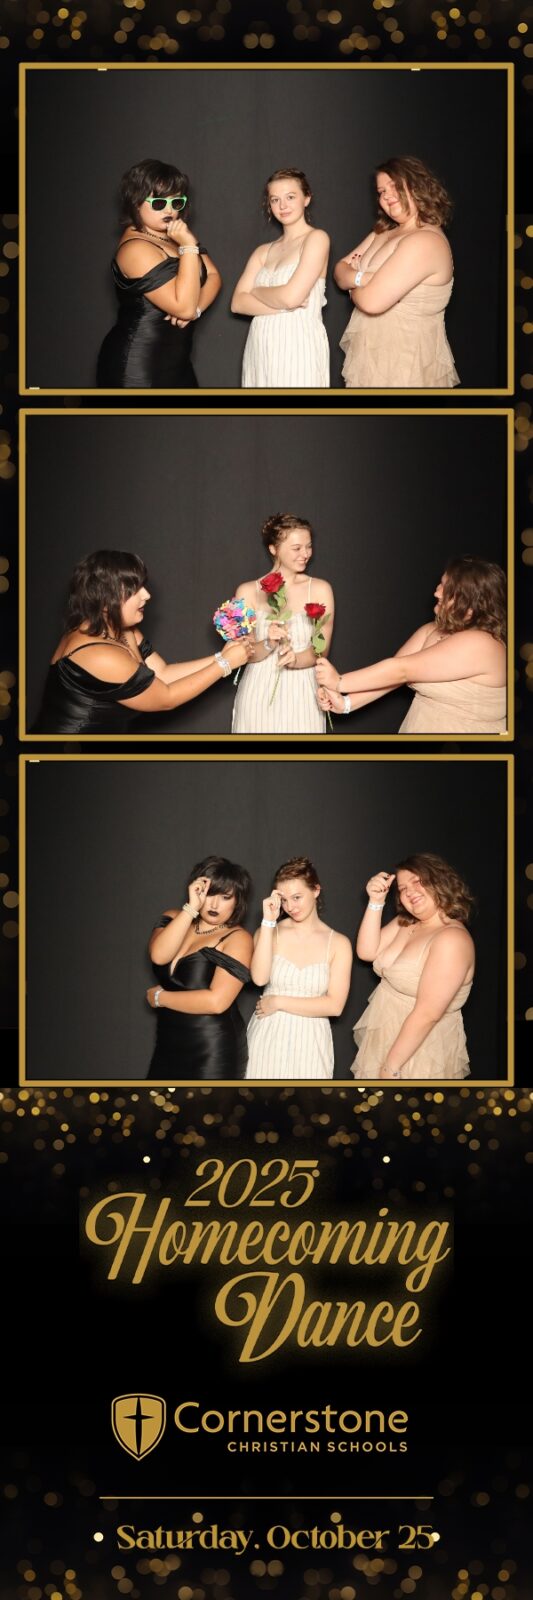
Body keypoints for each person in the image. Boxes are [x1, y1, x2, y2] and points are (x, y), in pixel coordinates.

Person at [32, 550, 252, 734]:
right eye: (134, 589)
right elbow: (166, 698)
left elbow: (162, 673)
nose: (146, 595)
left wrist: (222, 656)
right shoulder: (99, 655)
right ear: (104, 599)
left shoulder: (122, 630)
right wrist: (224, 664)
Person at [316, 558, 507, 735]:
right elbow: (391, 677)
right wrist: (346, 703)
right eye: (441, 583)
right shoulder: (432, 630)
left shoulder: (483, 643)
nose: (437, 592)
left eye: (447, 589)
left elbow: (401, 671)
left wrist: (340, 682)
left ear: (472, 603)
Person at [334, 156, 459, 389]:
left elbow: (371, 302)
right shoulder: (383, 232)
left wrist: (355, 286)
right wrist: (363, 279)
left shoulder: (425, 241)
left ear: (418, 186)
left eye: (394, 186)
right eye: (381, 191)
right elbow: (340, 270)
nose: (387, 196)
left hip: (406, 366)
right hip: (371, 358)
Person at [97, 158, 221, 389]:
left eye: (177, 202)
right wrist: (188, 245)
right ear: (135, 202)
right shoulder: (136, 249)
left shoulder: (173, 235)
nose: (170, 210)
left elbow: (213, 276)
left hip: (177, 363)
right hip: (138, 367)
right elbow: (182, 306)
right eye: (159, 203)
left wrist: (196, 310)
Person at [352, 855, 475, 1081]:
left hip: (420, 1050)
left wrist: (391, 1067)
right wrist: (376, 901)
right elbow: (367, 952)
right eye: (402, 888)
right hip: (385, 1034)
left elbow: (428, 1013)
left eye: (418, 881)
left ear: (440, 881)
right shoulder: (406, 922)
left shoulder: (452, 940)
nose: (409, 892)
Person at [246, 857, 353, 1080]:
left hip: (311, 1041)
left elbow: (335, 1006)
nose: (290, 907)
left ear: (316, 890)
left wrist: (278, 1002)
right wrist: (268, 922)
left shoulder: (338, 943)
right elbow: (259, 978)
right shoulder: (269, 932)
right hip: (268, 1035)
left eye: (297, 897)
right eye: (284, 900)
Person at [146, 857, 253, 1080]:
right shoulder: (174, 918)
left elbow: (216, 1002)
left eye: (225, 897)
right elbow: (159, 955)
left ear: (237, 901)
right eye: (209, 893)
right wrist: (191, 909)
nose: (214, 905)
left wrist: (160, 998)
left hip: (212, 1047)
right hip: (168, 1042)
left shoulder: (237, 938)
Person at [232, 514, 334, 734]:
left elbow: (322, 649)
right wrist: (268, 643)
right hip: (258, 693)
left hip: (303, 692)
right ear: (273, 549)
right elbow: (244, 653)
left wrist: (296, 660)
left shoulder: (320, 589)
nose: (305, 554)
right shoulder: (247, 591)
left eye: (309, 546)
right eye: (297, 548)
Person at [231, 168, 330, 388]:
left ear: (307, 198)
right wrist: (284, 305)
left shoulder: (316, 238)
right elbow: (237, 303)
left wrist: (256, 291)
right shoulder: (263, 251)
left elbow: (291, 297)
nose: (283, 206)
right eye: (275, 200)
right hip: (260, 348)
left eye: (290, 197)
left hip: (299, 346)